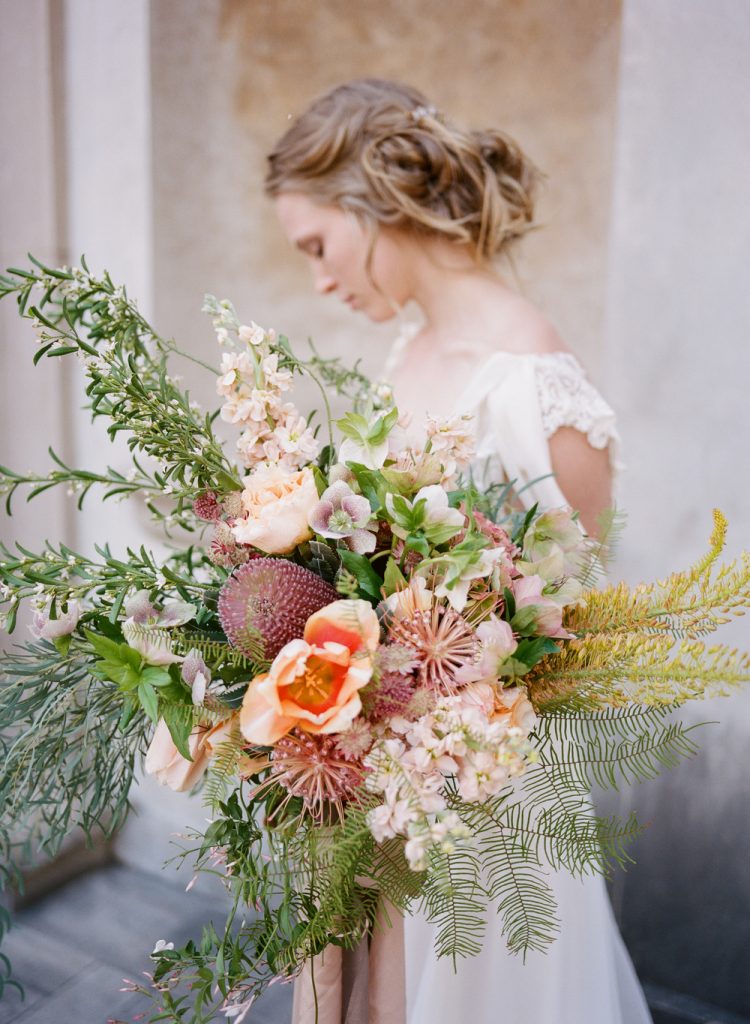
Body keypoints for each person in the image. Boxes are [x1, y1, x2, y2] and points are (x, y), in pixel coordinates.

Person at [266, 78, 652, 1024]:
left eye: (318, 245)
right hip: (386, 798)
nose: (319, 279)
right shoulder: (412, 351)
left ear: (374, 197)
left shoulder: (538, 390)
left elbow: (560, 641)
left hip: (487, 817)